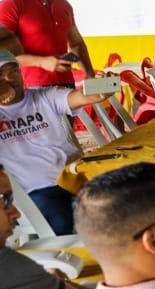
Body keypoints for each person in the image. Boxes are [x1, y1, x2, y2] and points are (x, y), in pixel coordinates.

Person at [0, 50, 109, 235]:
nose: (10, 78)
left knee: (122, 204)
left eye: (13, 71)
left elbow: (82, 97)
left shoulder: (44, 96)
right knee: (66, 222)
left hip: (74, 178)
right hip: (34, 192)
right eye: (0, 75)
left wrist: (102, 88)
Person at [0, 0, 95, 86]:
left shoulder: (63, 4)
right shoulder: (10, 5)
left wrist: (90, 74)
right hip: (32, 88)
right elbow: (2, 51)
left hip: (68, 85)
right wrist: (42, 62)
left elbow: (76, 43)